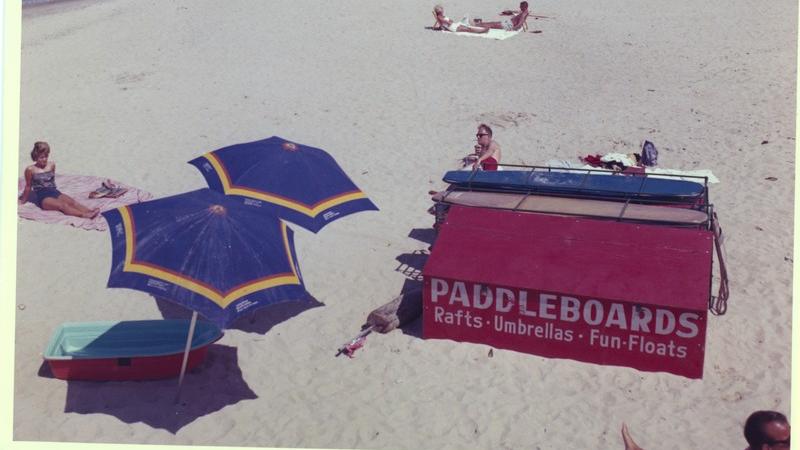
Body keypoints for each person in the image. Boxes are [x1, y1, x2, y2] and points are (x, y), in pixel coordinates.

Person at [18, 141, 100, 219]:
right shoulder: (30, 169)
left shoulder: (51, 165)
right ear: (36, 157)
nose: (44, 159)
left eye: (46, 156)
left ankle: (90, 211)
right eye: (41, 157)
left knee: (72, 202)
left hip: (54, 191)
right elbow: (28, 186)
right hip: (43, 197)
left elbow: (52, 180)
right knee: (63, 205)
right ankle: (83, 215)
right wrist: (23, 201)